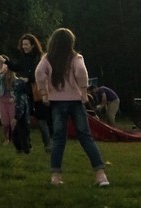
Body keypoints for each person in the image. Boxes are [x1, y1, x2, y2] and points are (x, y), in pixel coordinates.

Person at [34, 27, 110, 188]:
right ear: (70, 42)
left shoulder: (47, 58)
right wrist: (83, 92)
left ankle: (55, 177)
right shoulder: (76, 57)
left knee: (58, 139)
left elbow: (39, 73)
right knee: (86, 137)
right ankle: (101, 175)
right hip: (75, 101)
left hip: (57, 103)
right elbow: (81, 72)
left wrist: (45, 94)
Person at [0, 60, 16, 144]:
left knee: (13, 121)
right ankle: (6, 138)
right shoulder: (1, 76)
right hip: (3, 100)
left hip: (11, 100)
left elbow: (17, 90)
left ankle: (14, 138)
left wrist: (14, 98)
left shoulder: (13, 77)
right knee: (5, 122)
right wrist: (0, 72)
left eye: (0, 64)